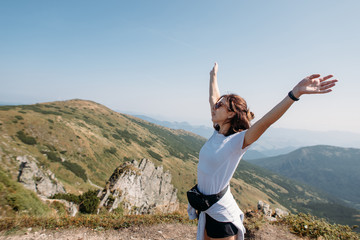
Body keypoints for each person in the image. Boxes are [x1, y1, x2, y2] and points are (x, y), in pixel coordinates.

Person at [187, 62, 338, 240]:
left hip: (221, 216)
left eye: (220, 105)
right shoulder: (217, 132)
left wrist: (295, 93)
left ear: (230, 114)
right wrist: (213, 76)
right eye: (217, 104)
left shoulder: (238, 141)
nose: (215, 106)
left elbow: (266, 121)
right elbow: (213, 97)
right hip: (206, 208)